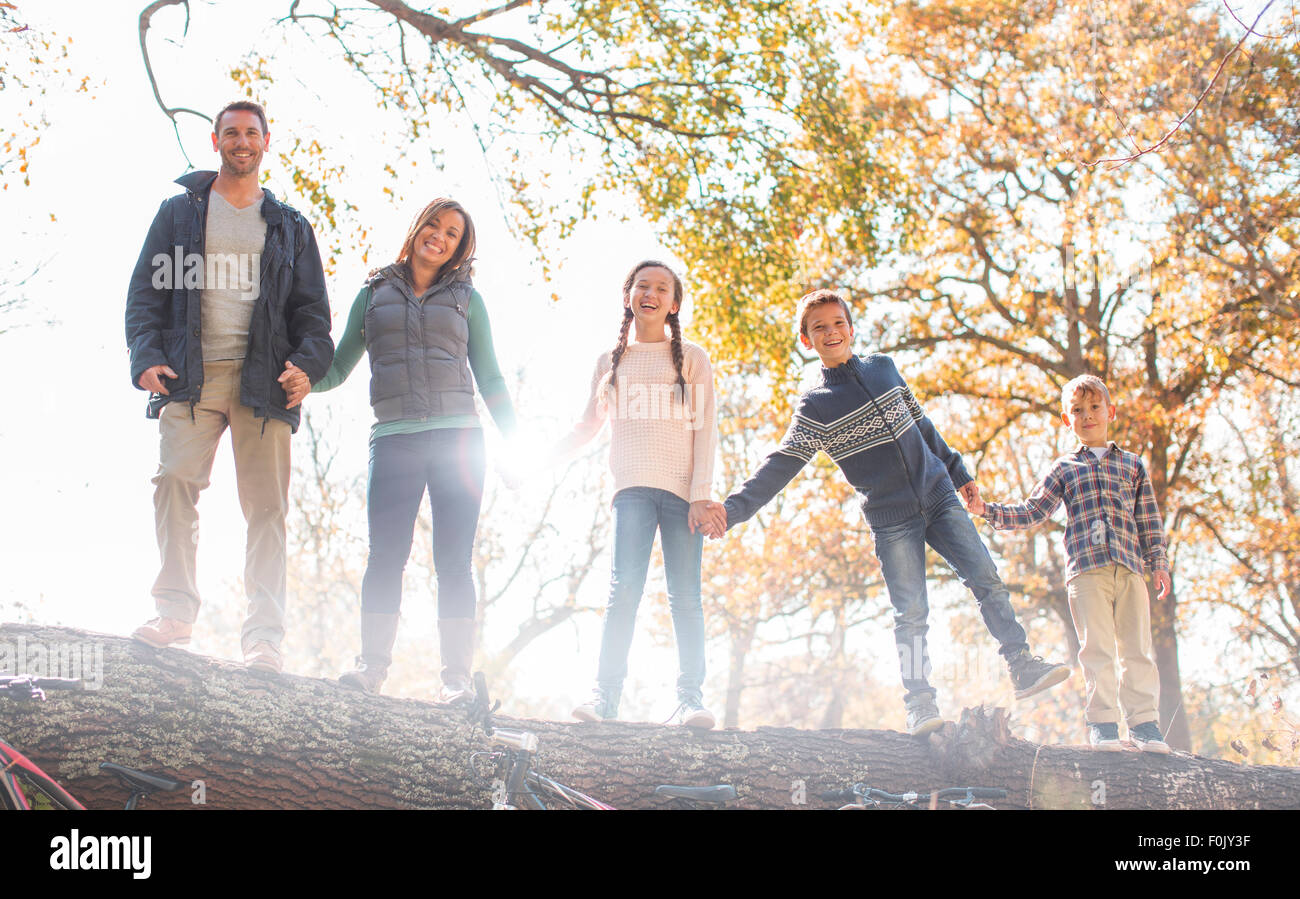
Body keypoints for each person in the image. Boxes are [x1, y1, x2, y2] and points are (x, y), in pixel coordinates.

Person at [708, 289, 1070, 736]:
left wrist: (958, 471)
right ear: (806, 341)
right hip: (891, 518)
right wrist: (731, 510)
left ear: (851, 328)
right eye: (819, 327)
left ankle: (1022, 664)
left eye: (837, 322)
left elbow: (922, 423)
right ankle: (920, 702)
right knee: (911, 613)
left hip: (938, 495)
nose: (831, 331)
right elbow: (780, 465)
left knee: (986, 578)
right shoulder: (816, 405)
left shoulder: (884, 368)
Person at [125, 100, 334, 674]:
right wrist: (145, 356)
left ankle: (263, 639)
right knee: (173, 482)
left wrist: (305, 368)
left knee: (267, 510)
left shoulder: (290, 226)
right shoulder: (180, 215)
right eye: (231, 133)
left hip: (262, 381)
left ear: (267, 141)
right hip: (190, 375)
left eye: (252, 133)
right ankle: (175, 614)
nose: (242, 141)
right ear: (215, 141)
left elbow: (313, 314)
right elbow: (146, 290)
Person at [313, 198, 516, 703]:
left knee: (454, 562)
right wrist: (299, 381)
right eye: (433, 225)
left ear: (458, 248)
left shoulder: (470, 300)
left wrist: (516, 444)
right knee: (385, 556)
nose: (439, 237)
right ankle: (371, 668)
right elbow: (338, 369)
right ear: (417, 227)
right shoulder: (374, 293)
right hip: (395, 438)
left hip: (459, 441)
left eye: (452, 233)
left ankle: (455, 681)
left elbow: (489, 376)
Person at [554, 260, 720, 728]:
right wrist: (540, 460)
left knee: (685, 596)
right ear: (628, 295)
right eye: (642, 285)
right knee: (622, 590)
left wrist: (701, 495)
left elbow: (705, 430)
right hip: (631, 493)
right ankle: (604, 697)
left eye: (662, 288)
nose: (651, 293)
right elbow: (587, 427)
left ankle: (690, 700)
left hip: (683, 496)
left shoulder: (692, 359)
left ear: (674, 304)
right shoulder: (610, 363)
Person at [968, 375, 1172, 752]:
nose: (1088, 416)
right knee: (1097, 649)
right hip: (1087, 571)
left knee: (1136, 649)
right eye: (1078, 411)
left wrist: (1157, 562)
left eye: (1095, 408)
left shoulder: (1132, 465)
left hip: (1129, 568)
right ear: (1067, 420)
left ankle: (1144, 724)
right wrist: (987, 510)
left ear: (1110, 412)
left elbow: (1149, 518)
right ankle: (1104, 724)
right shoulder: (1064, 469)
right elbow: (1033, 511)